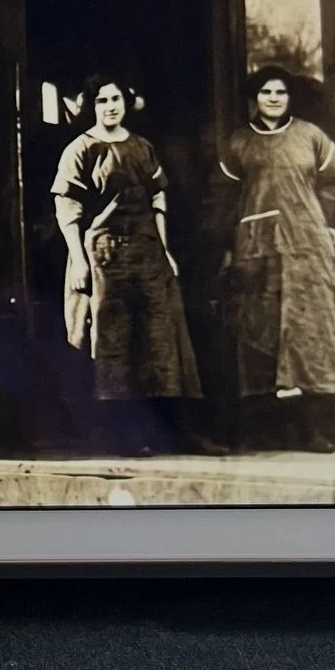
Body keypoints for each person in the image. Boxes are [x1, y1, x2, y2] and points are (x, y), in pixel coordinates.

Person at [51, 76, 203, 450]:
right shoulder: (80, 149)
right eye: (102, 100)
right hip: (104, 256)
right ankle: (117, 433)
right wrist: (79, 259)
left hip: (147, 255)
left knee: (159, 340)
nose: (110, 106)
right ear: (93, 105)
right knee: (110, 342)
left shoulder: (142, 147)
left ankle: (168, 430)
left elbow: (157, 200)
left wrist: (165, 250)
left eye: (116, 98)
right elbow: (67, 210)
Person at [220, 66, 335, 454]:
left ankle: (314, 431)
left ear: (289, 97)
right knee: (259, 335)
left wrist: (333, 227)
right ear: (254, 98)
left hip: (307, 251)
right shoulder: (240, 142)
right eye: (265, 92)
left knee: (311, 335)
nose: (273, 98)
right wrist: (225, 247)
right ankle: (263, 432)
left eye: (280, 92)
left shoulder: (311, 137)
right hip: (257, 252)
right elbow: (222, 198)